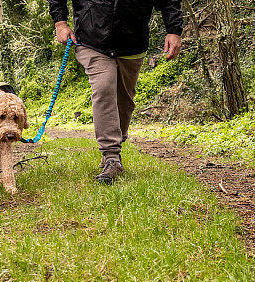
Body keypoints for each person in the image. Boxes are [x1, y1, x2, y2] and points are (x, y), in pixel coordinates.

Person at [49, 0, 183, 183]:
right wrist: (60, 23)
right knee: (104, 89)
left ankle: (112, 151)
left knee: (124, 101)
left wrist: (174, 29)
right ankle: (112, 157)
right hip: (91, 39)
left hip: (132, 41)